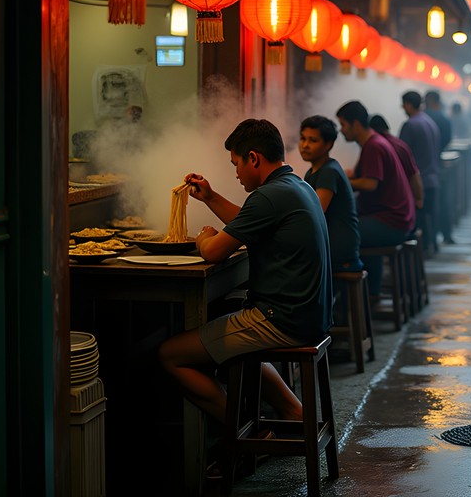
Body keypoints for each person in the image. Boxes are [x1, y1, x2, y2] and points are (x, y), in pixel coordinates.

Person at [158, 118, 332, 427]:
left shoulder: (268, 196)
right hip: (310, 315)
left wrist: (203, 237)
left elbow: (212, 251)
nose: (236, 173)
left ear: (253, 158)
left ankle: (239, 433)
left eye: (236, 164)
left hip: (282, 319)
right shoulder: (294, 185)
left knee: (170, 355)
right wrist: (210, 197)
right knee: (229, 320)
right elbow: (248, 220)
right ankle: (292, 410)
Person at [336, 100, 416, 296]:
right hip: (398, 219)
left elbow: (370, 184)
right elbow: (362, 176)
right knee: (352, 231)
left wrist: (343, 182)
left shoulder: (373, 146)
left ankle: (348, 304)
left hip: (391, 222)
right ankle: (370, 294)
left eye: (343, 125)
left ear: (355, 124)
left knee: (340, 236)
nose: (342, 131)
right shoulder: (374, 142)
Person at [298, 115, 362, 274]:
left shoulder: (328, 172)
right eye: (303, 138)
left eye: (313, 141)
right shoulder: (313, 171)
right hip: (332, 243)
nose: (305, 145)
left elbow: (316, 213)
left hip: (339, 247)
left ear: (329, 144)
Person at [399, 90, 441, 253]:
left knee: (418, 221)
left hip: (418, 181)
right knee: (429, 217)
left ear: (409, 105)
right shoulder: (429, 121)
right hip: (432, 177)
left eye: (403, 104)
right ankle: (431, 246)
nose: (402, 108)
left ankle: (420, 253)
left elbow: (401, 155)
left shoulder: (410, 125)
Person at [369, 114, 424, 216]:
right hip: (406, 203)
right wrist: (419, 198)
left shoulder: (377, 147)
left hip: (388, 208)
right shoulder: (401, 145)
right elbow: (414, 175)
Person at [424, 90, 455, 245]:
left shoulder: (422, 118)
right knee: (443, 201)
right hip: (439, 164)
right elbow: (448, 139)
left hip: (423, 168)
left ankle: (431, 239)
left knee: (428, 206)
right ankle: (446, 234)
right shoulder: (443, 118)